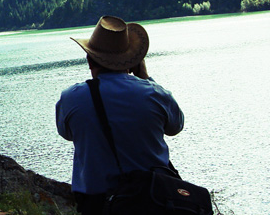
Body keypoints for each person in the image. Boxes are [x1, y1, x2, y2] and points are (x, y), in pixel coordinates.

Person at [56, 15, 184, 215]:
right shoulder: (155, 94)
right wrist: (145, 77)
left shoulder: (71, 98)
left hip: (97, 204)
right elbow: (175, 126)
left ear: (90, 60)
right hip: (154, 199)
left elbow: (67, 133)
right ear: (131, 62)